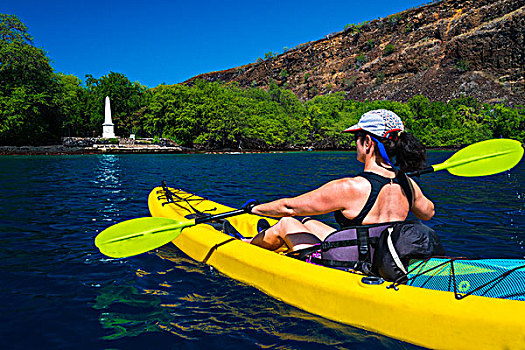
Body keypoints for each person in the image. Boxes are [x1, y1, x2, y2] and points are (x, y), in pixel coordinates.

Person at [248, 109, 435, 251]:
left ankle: (246, 244)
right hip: (382, 255)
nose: (355, 144)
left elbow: (288, 207)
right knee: (306, 221)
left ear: (368, 142)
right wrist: (406, 188)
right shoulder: (408, 185)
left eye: (356, 138)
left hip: (353, 262)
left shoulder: (351, 187)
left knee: (286, 222)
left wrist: (255, 209)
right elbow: (428, 213)